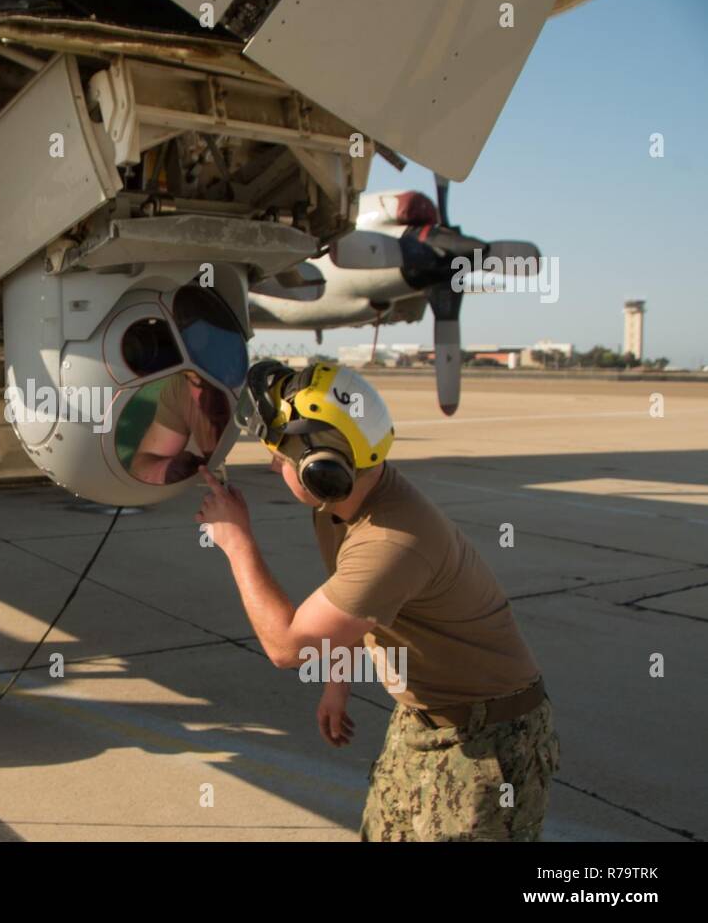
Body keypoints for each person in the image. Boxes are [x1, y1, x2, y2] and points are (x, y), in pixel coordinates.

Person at [197, 360, 559, 840]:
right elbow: (353, 612)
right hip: (422, 722)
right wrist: (337, 684)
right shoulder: (344, 505)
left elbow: (287, 648)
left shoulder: (391, 539)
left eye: (280, 458)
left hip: (485, 743)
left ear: (318, 469)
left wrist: (237, 541)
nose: (271, 465)